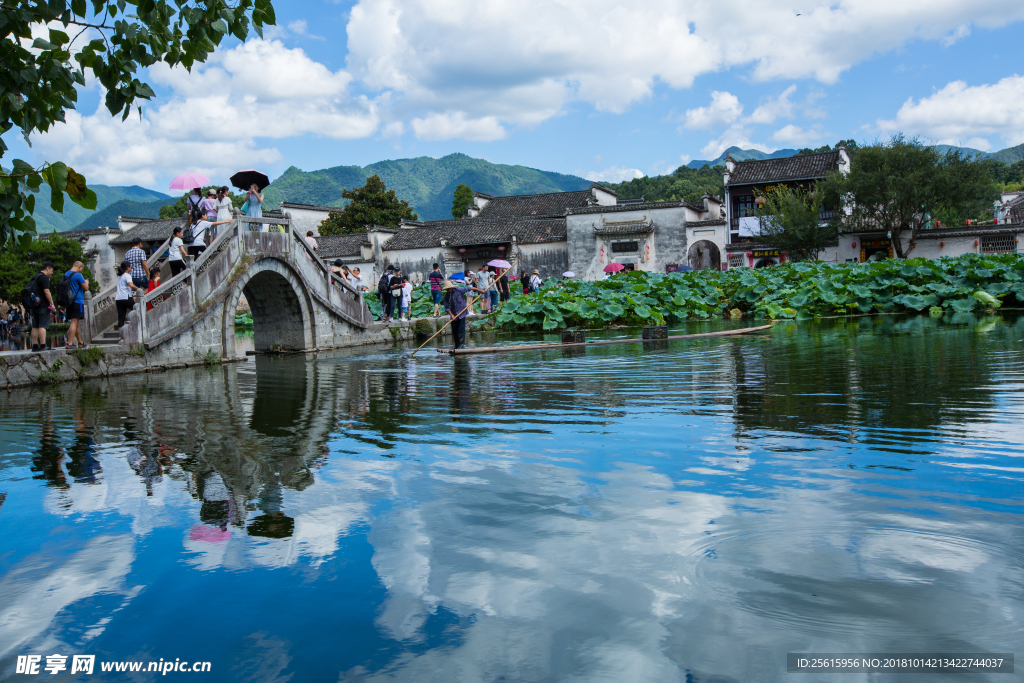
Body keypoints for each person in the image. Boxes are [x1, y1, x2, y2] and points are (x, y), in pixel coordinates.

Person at [28, 262, 55, 352]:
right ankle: (43, 345)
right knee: (43, 325)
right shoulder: (44, 278)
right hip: (43, 305)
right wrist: (51, 303)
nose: (52, 272)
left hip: (35, 304)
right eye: (52, 270)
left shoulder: (34, 277)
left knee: (35, 326)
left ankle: (35, 345)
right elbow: (46, 292)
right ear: (47, 268)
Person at [63, 260, 89, 349]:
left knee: (76, 322)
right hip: (77, 301)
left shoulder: (66, 274)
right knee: (74, 322)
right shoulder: (78, 275)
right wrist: (86, 282)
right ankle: (69, 343)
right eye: (81, 269)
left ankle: (80, 342)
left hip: (69, 301)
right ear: (80, 267)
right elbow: (86, 288)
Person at [114, 261, 140, 331]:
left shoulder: (119, 276)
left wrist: (130, 291)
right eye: (130, 267)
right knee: (137, 309)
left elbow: (123, 287)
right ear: (128, 268)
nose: (130, 268)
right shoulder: (127, 275)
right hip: (125, 298)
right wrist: (138, 289)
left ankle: (121, 336)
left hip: (118, 299)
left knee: (121, 318)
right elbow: (131, 285)